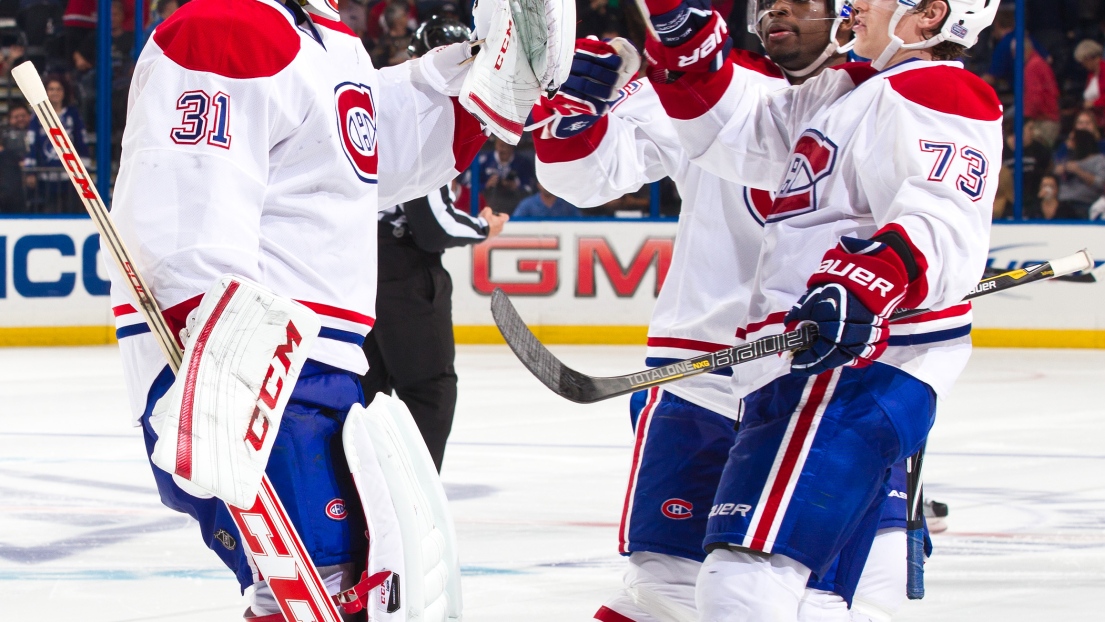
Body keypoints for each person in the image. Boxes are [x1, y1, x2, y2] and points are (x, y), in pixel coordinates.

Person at [101, 0, 531, 617]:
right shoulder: (228, 26)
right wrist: (224, 376)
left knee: (335, 591)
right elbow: (182, 213)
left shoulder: (328, 36)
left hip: (320, 365)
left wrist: (473, 80)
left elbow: (373, 150)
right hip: (251, 363)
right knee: (319, 592)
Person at [534, 3, 925, 620]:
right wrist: (571, 118)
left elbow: (932, 216)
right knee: (667, 593)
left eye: (801, 0)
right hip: (703, 379)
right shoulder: (711, 89)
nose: (777, 11)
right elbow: (583, 180)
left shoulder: (894, 98)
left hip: (838, 384)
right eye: (766, 0)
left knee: (845, 598)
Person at [640, 0, 1001, 618]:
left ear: (929, 13)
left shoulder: (938, 87)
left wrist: (865, 284)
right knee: (821, 599)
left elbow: (942, 217)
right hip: (811, 369)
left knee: (744, 582)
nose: (852, 3)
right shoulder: (845, 93)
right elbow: (728, 135)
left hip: (852, 373)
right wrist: (678, 28)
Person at [362, 15, 510, 473]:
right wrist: (485, 228)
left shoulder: (382, 97)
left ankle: (352, 495)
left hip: (360, 263)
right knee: (429, 388)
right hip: (403, 273)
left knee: (365, 390)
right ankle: (411, 497)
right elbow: (432, 223)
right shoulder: (427, 112)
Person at [22, 74, 86, 213]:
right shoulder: (38, 115)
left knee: (71, 211)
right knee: (48, 211)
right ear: (46, 92)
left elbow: (81, 141)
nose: (55, 93)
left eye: (58, 89)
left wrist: (83, 170)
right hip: (45, 175)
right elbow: (32, 143)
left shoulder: (72, 114)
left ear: (64, 92)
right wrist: (31, 171)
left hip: (71, 176)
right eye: (51, 89)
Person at [477, 135, 535, 214]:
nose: (504, 149)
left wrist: (516, 185)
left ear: (513, 146)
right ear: (496, 145)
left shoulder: (523, 163)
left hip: (514, 204)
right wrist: (486, 185)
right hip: (489, 203)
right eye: (501, 145)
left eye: (508, 145)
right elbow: (471, 186)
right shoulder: (484, 161)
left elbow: (530, 187)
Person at [1054, 129, 1105, 219]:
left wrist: (1078, 171)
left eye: (1071, 139)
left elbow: (1101, 183)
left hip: (1084, 205)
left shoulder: (1098, 160)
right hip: (1063, 205)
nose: (1067, 143)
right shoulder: (1066, 159)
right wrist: (1058, 171)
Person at [1021, 38, 1060, 147]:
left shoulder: (1032, 66)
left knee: (1039, 153)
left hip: (1044, 120)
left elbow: (1035, 96)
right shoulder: (1039, 62)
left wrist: (1027, 118)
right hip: (1048, 116)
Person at [0, 102, 31, 213]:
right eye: (16, 117)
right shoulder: (4, 135)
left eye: (23, 116)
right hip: (11, 181)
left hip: (37, 178)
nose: (20, 119)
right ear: (9, 119)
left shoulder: (38, 133)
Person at [1074, 39, 1104, 127]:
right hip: (1094, 119)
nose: (1083, 65)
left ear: (1093, 58)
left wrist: (1095, 103)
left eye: (1084, 61)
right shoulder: (1091, 75)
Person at [512, 180, 580, 218]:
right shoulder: (527, 204)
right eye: (543, 183)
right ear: (538, 185)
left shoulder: (567, 204)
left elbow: (579, 222)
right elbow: (516, 223)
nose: (546, 186)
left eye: (549, 183)